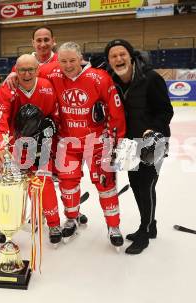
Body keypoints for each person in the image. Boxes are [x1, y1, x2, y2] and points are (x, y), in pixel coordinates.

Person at [40, 42, 127, 248]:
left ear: (81, 59)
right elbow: (28, 72)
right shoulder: (51, 75)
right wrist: (13, 77)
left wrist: (116, 144)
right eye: (63, 61)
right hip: (66, 143)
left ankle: (113, 226)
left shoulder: (100, 78)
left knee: (106, 185)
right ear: (57, 61)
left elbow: (116, 114)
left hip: (96, 143)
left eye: (72, 60)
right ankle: (71, 218)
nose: (68, 65)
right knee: (67, 186)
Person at [104, 39, 174, 254]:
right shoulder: (111, 82)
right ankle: (150, 225)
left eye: (122, 54)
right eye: (113, 56)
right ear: (109, 61)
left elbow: (166, 111)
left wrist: (152, 129)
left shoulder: (150, 78)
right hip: (127, 143)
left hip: (152, 140)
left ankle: (144, 231)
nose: (119, 59)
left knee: (147, 185)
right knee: (136, 186)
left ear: (131, 56)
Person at [0, 54, 62, 246]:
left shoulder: (46, 87)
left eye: (31, 69)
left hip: (41, 145)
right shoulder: (7, 89)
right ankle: (5, 225)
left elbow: (55, 114)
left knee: (44, 185)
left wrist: (51, 127)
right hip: (13, 146)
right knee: (10, 187)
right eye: (22, 70)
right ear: (15, 70)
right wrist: (0, 148)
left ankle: (53, 223)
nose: (26, 74)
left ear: (37, 70)